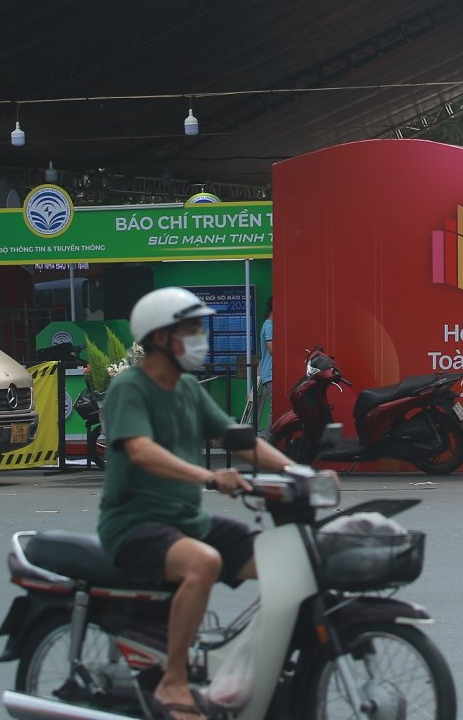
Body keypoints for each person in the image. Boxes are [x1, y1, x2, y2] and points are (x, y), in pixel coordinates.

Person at [99, 287, 295, 718]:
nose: (200, 339)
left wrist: (299, 473)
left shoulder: (187, 388)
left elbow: (238, 440)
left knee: (284, 565)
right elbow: (141, 450)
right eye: (190, 330)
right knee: (203, 563)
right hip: (134, 525)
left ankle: (254, 670)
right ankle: (173, 681)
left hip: (186, 520)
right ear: (161, 338)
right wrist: (208, 476)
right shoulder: (130, 388)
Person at [256, 294, 275, 429]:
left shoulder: (269, 325)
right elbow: (271, 347)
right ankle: (271, 443)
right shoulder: (269, 325)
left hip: (269, 373)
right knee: (274, 411)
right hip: (271, 374)